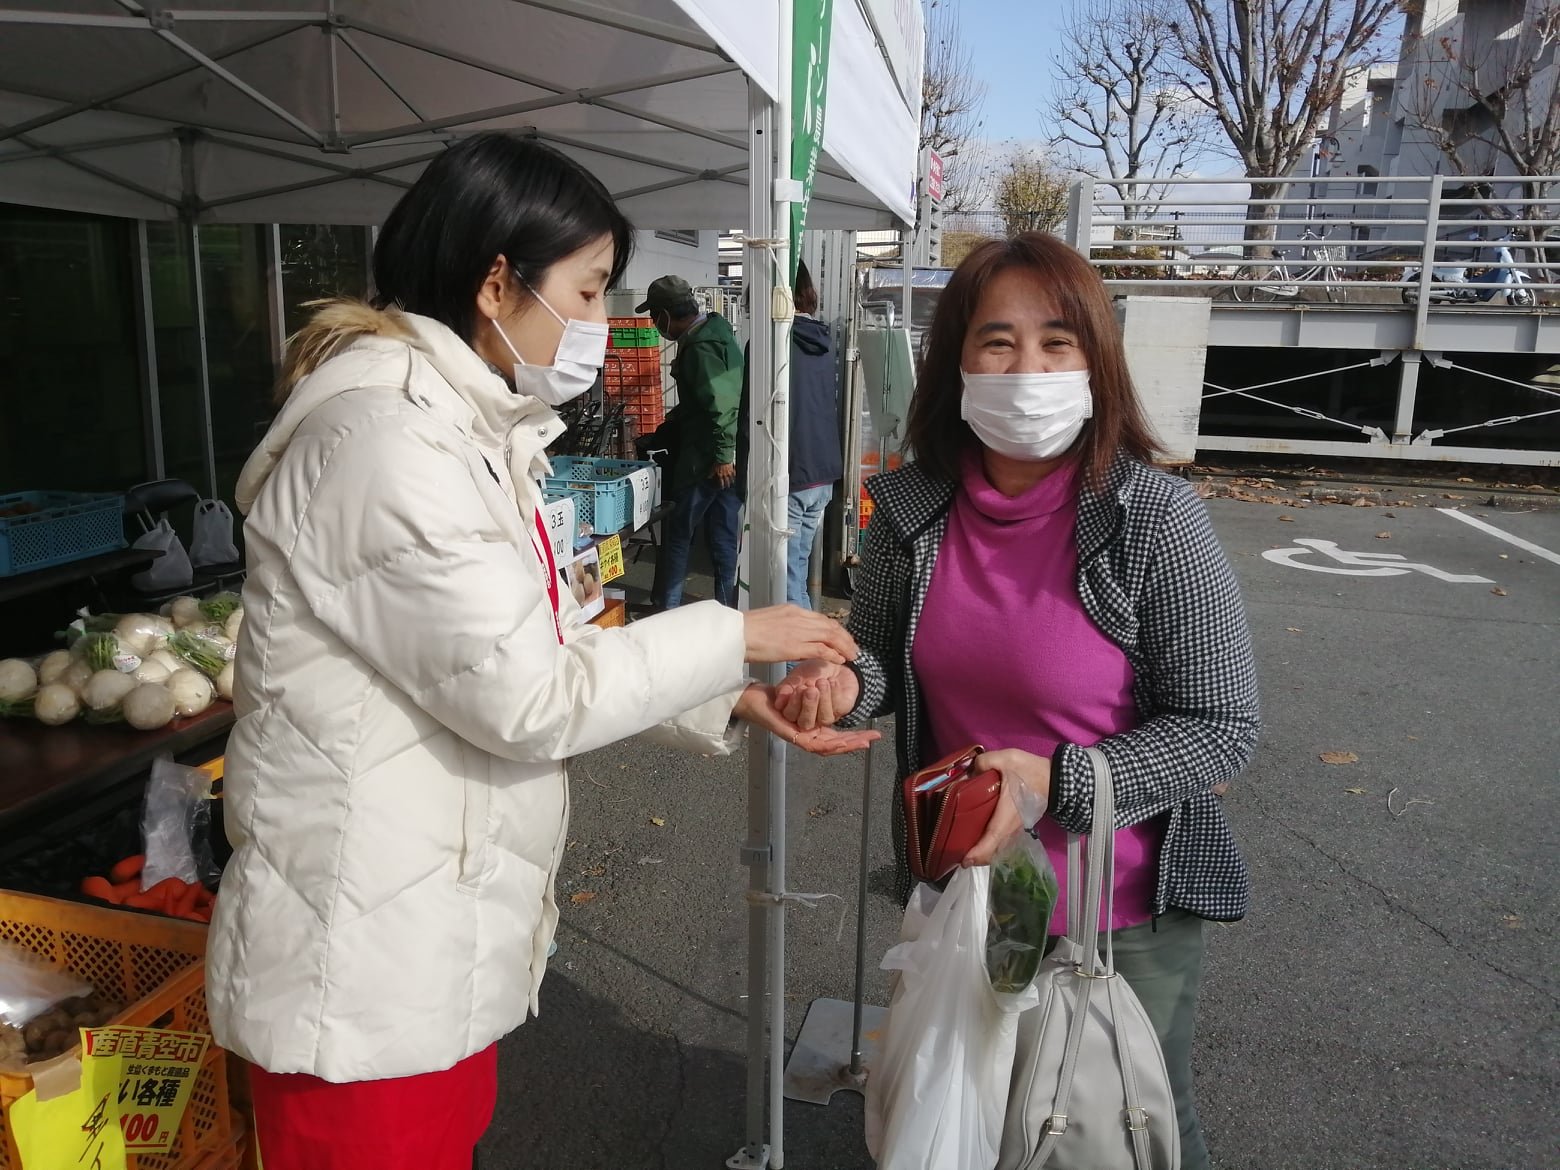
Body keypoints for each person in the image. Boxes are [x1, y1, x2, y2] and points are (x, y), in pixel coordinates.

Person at [208, 132, 878, 1170]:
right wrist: (734, 630)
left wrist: (721, 693)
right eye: (590, 288)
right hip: (363, 974)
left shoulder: (461, 430)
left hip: (416, 942)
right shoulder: (386, 441)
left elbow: (530, 644)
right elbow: (527, 695)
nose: (605, 322)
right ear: (495, 283)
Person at [777, 231, 1260, 1170]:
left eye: (1057, 343)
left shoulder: (1153, 519)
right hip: (977, 893)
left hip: (1119, 904)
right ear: (955, 359)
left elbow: (1222, 728)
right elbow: (883, 660)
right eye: (997, 342)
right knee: (995, 1118)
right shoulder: (911, 507)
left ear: (1097, 363)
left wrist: (1057, 780)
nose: (1026, 367)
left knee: (1127, 1121)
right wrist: (842, 682)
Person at [642, 274, 744, 610]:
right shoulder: (718, 334)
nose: (656, 324)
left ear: (666, 314)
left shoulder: (700, 348)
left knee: (678, 537)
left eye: (655, 315)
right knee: (723, 540)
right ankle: (726, 613)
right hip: (724, 456)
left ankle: (668, 612)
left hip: (706, 459)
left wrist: (721, 454)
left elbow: (720, 403)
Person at [782, 262, 844, 608]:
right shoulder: (821, 340)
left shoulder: (775, 344)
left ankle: (798, 662)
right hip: (821, 473)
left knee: (787, 584)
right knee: (798, 570)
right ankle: (806, 654)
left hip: (792, 473)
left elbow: (752, 419)